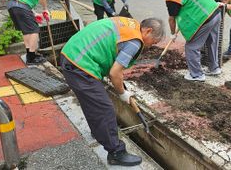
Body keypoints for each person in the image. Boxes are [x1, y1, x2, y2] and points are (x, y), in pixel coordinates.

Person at [60, 17, 165, 166]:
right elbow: (115, 73)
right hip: (80, 64)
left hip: (71, 55)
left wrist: (122, 87)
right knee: (105, 109)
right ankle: (116, 152)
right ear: (148, 31)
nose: (151, 46)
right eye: (153, 42)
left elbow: (114, 60)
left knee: (92, 103)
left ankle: (98, 132)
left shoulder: (131, 25)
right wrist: (122, 94)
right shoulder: (135, 42)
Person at [154, 0, 222, 81]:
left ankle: (197, 75)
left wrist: (172, 34)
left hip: (205, 19)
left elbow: (172, 19)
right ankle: (214, 68)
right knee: (211, 42)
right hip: (215, 12)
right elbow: (190, 2)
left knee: (191, 47)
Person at [6, 0, 50, 65]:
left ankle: (29, 54)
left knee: (26, 31)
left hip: (11, 6)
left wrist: (34, 14)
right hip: (21, 6)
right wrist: (45, 9)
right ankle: (31, 58)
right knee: (34, 30)